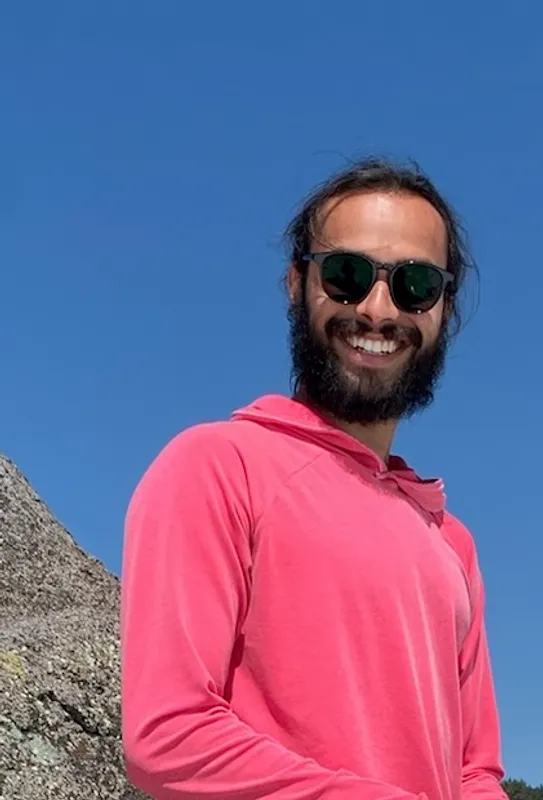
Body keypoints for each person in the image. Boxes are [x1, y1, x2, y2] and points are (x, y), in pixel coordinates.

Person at [120, 156, 509, 800]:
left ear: (443, 309)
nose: (378, 309)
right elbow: (169, 735)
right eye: (348, 275)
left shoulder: (452, 543)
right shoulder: (218, 467)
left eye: (415, 284)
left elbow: (476, 770)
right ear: (296, 283)